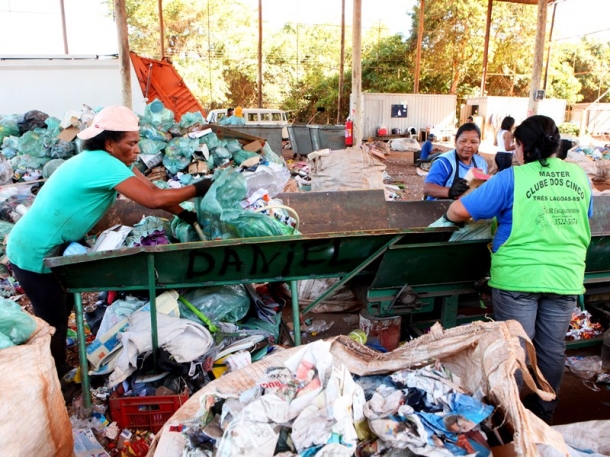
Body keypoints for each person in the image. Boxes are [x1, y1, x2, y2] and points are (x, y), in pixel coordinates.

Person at [6, 105, 212, 380]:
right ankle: (51, 382)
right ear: (110, 143)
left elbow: (153, 190)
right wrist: (200, 187)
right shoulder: (101, 164)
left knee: (62, 309)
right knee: (52, 323)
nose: (137, 150)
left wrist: (184, 213)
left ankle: (57, 373)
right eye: (132, 143)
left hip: (47, 247)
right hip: (34, 251)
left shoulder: (109, 161)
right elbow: (150, 201)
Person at [443, 115, 592, 423]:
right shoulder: (580, 177)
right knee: (550, 350)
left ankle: (510, 419)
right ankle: (542, 415)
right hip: (565, 277)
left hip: (518, 279)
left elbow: (456, 211)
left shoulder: (512, 178)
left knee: (514, 351)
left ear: (523, 146)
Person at [423, 123, 488, 200]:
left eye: (473, 142)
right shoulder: (444, 162)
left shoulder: (481, 163)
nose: (468, 145)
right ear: (455, 141)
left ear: (479, 143)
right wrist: (451, 191)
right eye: (463, 141)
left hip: (468, 208)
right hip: (440, 208)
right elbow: (427, 188)